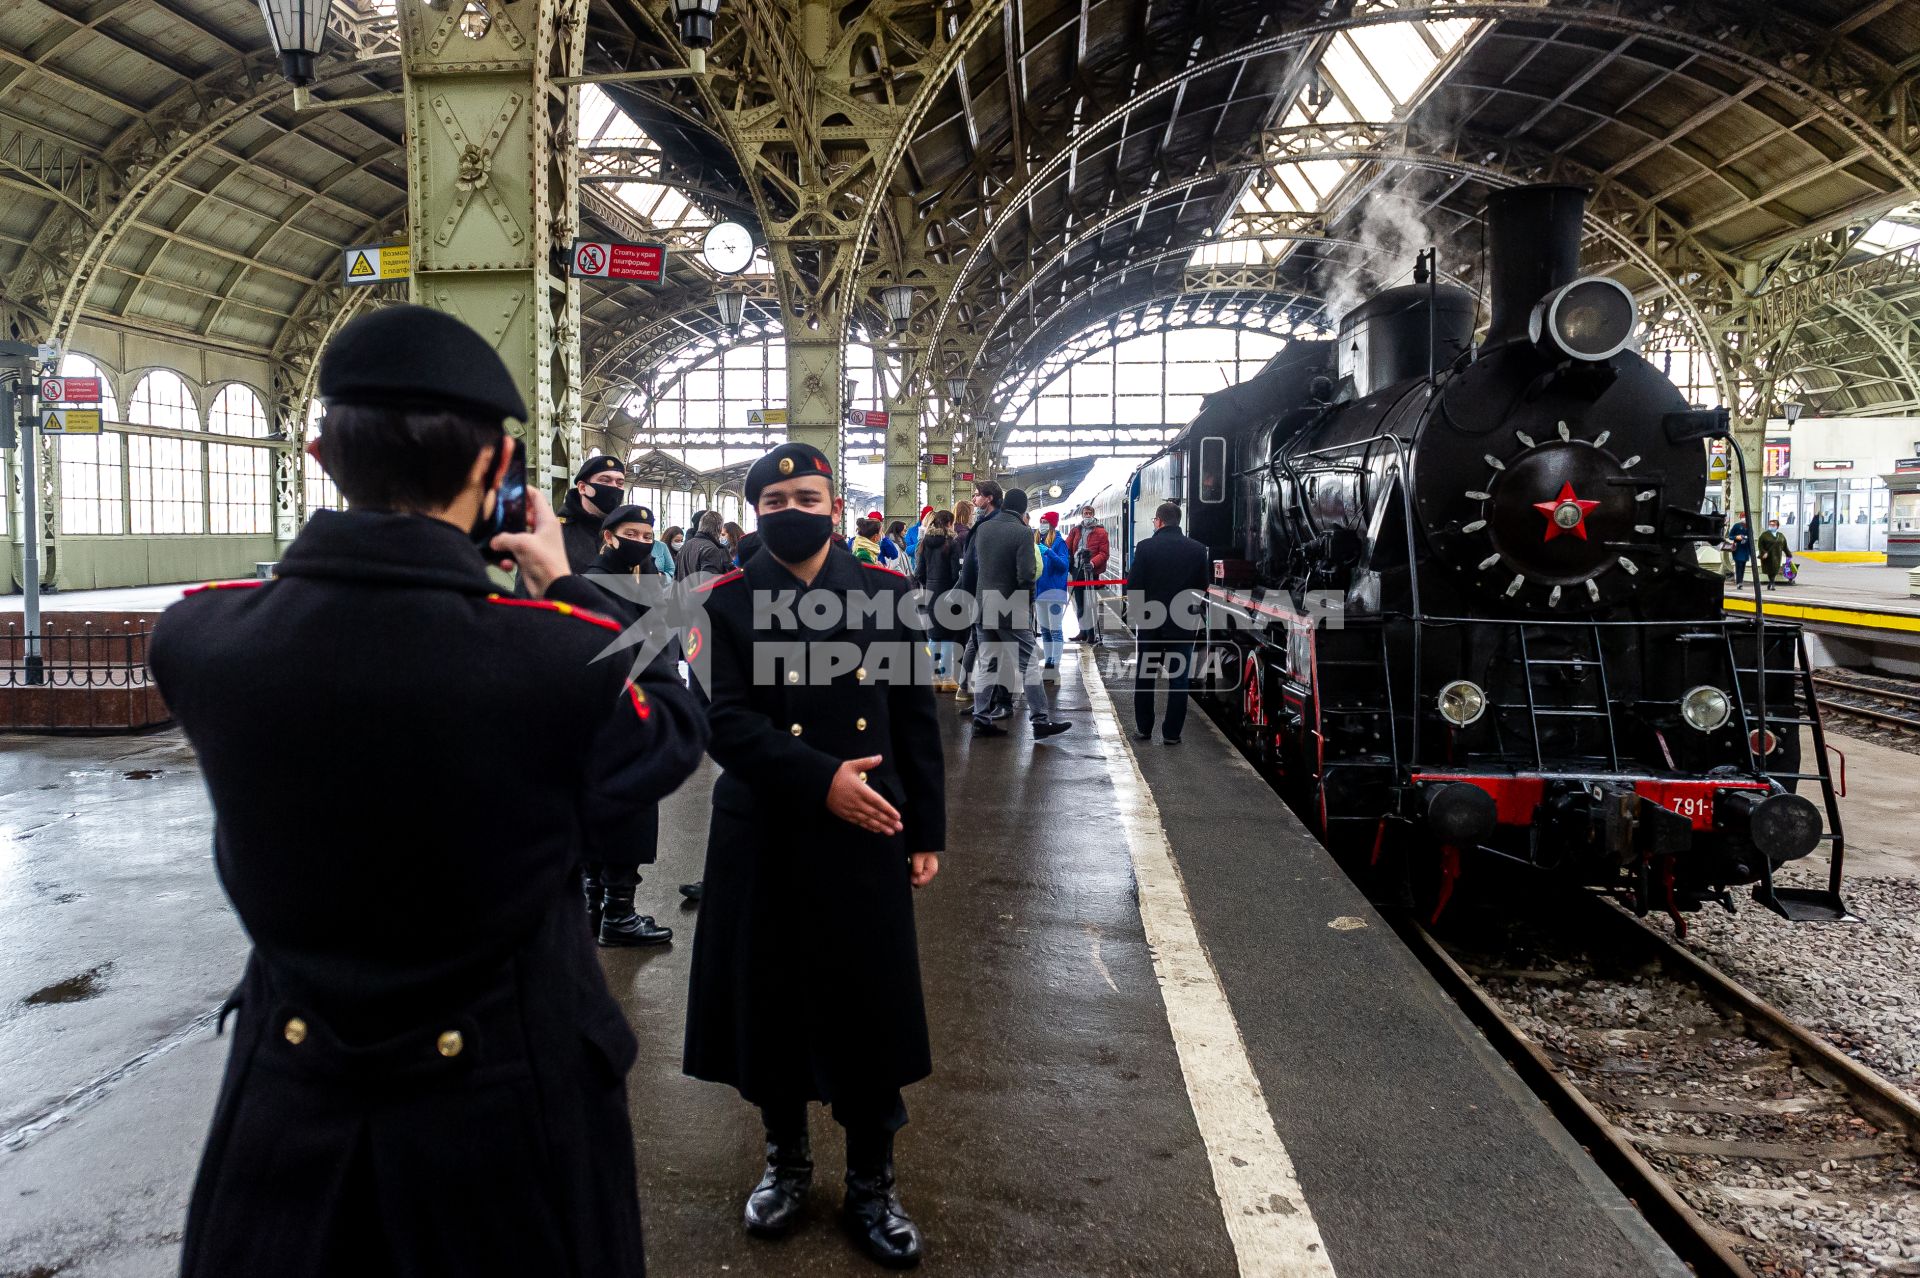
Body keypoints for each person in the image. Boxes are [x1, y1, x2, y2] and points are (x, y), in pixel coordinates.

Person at [149, 304, 706, 1278]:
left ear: (321, 456)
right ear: (497, 472)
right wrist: (569, 585)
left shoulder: (202, 638)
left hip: (288, 1114)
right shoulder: (553, 656)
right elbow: (671, 733)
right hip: (507, 1122)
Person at [684, 441, 944, 1268]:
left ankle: (873, 1182)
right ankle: (786, 1165)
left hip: (868, 825)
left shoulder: (887, 594)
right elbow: (723, 720)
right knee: (773, 996)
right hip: (766, 825)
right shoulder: (723, 599)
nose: (792, 510)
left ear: (835, 506)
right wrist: (819, 778)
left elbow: (911, 718)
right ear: (756, 513)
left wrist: (925, 828)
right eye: (774, 501)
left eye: (808, 495)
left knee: (866, 999)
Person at [579, 503, 679, 947]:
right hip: (616, 710)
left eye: (646, 534)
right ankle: (616, 914)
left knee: (609, 806)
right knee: (627, 807)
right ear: (609, 537)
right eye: (631, 533)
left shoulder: (648, 581)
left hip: (634, 707)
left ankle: (597, 908)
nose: (641, 540)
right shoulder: (592, 583)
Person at [961, 486, 1071, 740]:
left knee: (988, 663)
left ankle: (981, 718)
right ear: (1023, 509)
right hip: (1011, 606)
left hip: (982, 604)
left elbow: (970, 568)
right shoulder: (1022, 533)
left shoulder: (983, 528)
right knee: (1029, 663)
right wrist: (1028, 601)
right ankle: (1040, 720)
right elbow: (1026, 575)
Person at [1128, 500, 1210, 745]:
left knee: (1145, 676)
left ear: (1159, 521)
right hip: (1182, 623)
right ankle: (1171, 734)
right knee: (1179, 679)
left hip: (1150, 621)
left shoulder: (1145, 547)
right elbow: (1201, 586)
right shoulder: (1197, 549)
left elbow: (1134, 587)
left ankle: (1144, 729)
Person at [914, 508, 962, 692]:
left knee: (934, 636)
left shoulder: (924, 542)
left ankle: (934, 677)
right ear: (949, 523)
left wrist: (929, 585)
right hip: (948, 592)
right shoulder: (952, 543)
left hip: (930, 593)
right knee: (948, 637)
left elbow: (919, 572)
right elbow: (955, 572)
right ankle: (948, 678)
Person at [559, 455, 629, 572]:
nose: (614, 487)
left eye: (619, 483)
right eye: (605, 480)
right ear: (582, 488)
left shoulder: (629, 531)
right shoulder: (557, 532)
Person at [1066, 504, 1109, 643]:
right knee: (1079, 603)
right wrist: (1069, 564)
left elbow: (1104, 553)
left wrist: (1092, 563)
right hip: (1077, 570)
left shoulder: (1101, 532)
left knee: (1090, 603)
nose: (1087, 515)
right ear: (1082, 514)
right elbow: (1067, 546)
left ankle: (1091, 633)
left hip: (1091, 571)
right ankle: (1082, 631)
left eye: (1090, 513)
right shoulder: (1076, 530)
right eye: (1085, 513)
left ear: (1093, 514)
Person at [1035, 512, 1070, 670]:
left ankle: (1055, 663)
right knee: (1045, 630)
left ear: (1051, 524)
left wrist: (1049, 552)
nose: (1042, 524)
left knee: (1055, 630)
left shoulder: (1059, 543)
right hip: (1040, 591)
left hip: (1055, 591)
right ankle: (1048, 660)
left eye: (1045, 522)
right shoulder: (1037, 541)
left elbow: (1063, 565)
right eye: (1041, 521)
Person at [676, 509, 733, 579]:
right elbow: (709, 583)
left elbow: (676, 576)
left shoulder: (685, 546)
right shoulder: (711, 549)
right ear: (719, 528)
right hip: (699, 590)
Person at [1758, 517, 1794, 588]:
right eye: (1770, 525)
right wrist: (1763, 552)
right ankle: (1772, 583)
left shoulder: (1780, 535)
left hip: (1777, 556)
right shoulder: (1764, 535)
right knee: (1769, 569)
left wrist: (1788, 554)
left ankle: (1771, 583)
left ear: (1777, 526)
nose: (1771, 526)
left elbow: (1784, 546)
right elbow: (1760, 545)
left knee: (1775, 569)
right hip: (1767, 556)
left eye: (1773, 525)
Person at [1728, 510, 1754, 585]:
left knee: (1743, 566)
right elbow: (1730, 536)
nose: (1745, 518)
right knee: (1738, 565)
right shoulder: (1736, 526)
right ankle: (1739, 582)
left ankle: (1740, 581)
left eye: (1746, 517)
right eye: (1743, 517)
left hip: (1745, 549)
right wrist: (1736, 537)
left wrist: (1751, 552)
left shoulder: (1749, 527)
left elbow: (1751, 539)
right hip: (1738, 549)